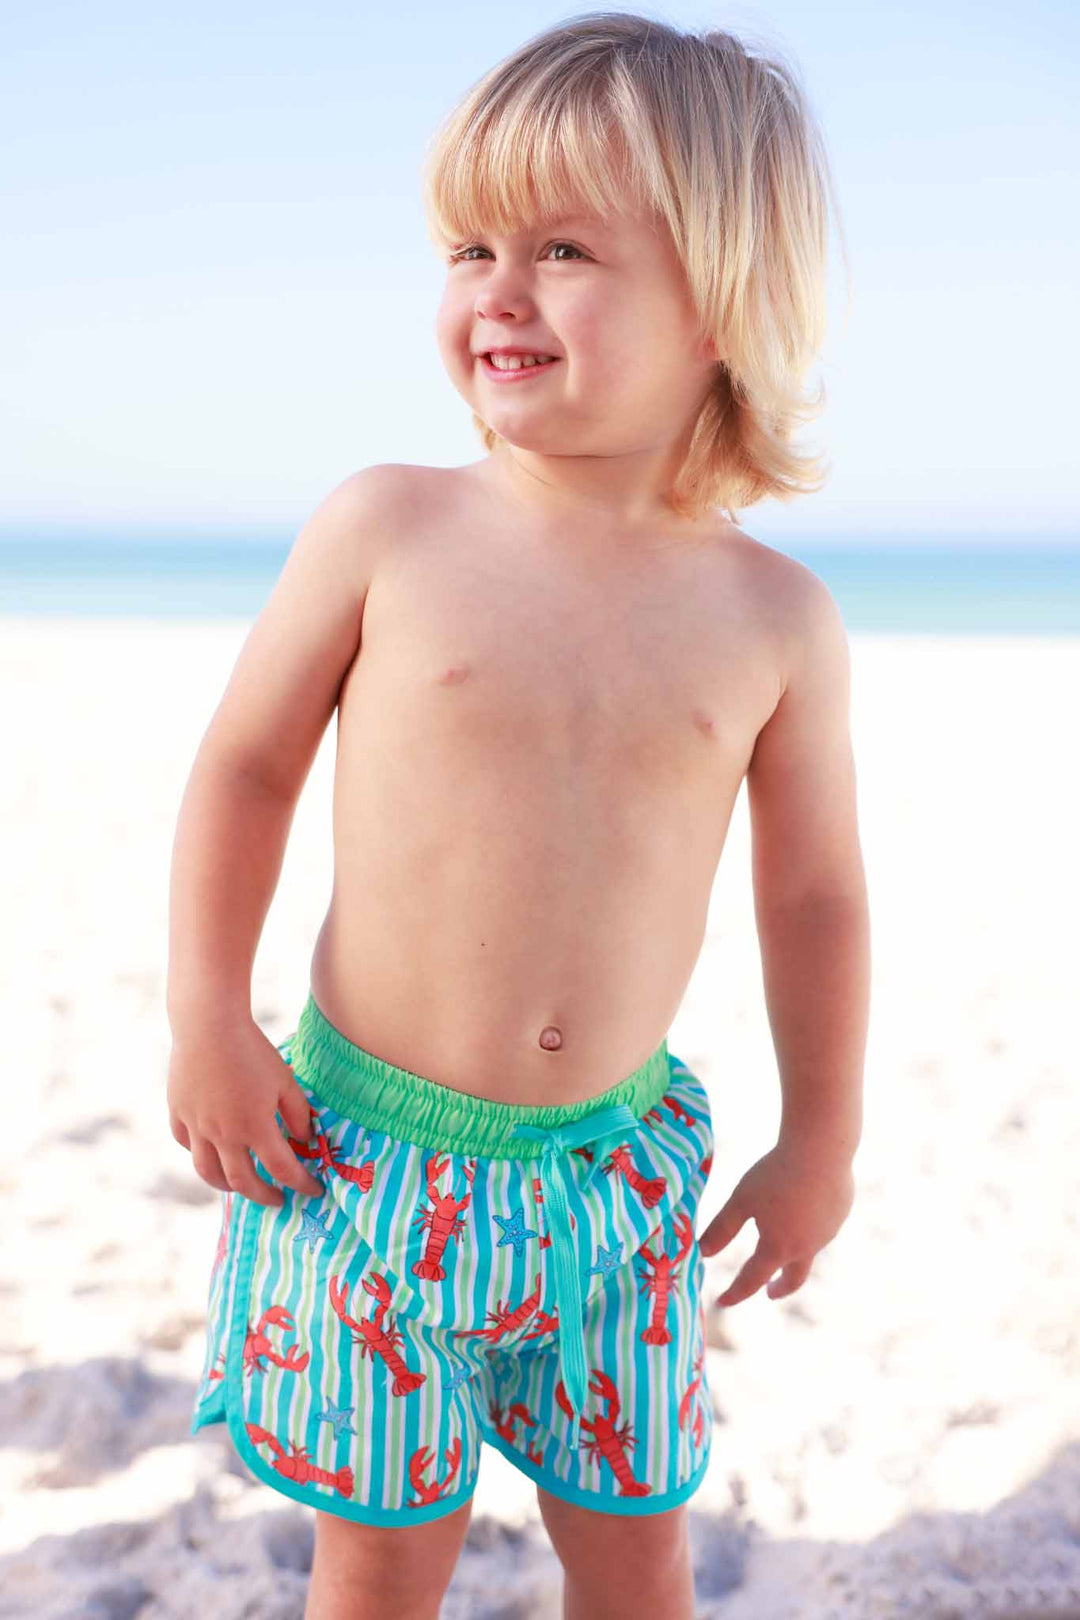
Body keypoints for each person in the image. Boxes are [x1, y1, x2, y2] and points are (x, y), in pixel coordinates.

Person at [166, 12, 869, 1619]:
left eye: (563, 248)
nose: (497, 286)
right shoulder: (392, 527)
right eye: (470, 243)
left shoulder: (775, 618)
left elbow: (817, 896)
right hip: (355, 1163)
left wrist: (820, 1138)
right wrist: (207, 1011)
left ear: (720, 306)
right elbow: (246, 766)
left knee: (635, 1541)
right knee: (383, 1556)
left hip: (615, 1185)